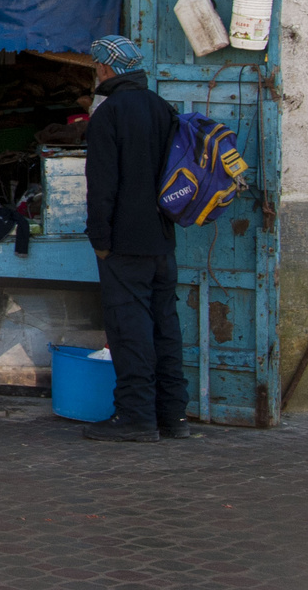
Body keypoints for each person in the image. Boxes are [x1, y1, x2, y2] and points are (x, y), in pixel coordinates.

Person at [81, 35, 189, 442]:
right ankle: (173, 416)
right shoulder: (163, 109)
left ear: (106, 70)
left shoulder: (108, 115)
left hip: (125, 243)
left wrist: (100, 239)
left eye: (96, 67)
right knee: (165, 326)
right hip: (162, 240)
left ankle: (136, 417)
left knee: (130, 330)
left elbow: (102, 186)